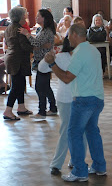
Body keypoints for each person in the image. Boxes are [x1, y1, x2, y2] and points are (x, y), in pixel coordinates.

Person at [45, 24, 106, 182]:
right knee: (92, 132)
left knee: (73, 133)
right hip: (98, 98)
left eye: (68, 35)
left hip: (84, 99)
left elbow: (66, 78)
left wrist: (52, 64)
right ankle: (99, 166)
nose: (67, 38)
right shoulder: (93, 50)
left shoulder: (79, 53)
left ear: (73, 35)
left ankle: (79, 171)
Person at [38, 32, 88, 176]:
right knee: (66, 130)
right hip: (66, 99)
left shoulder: (84, 57)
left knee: (82, 131)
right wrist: (49, 58)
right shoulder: (61, 57)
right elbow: (42, 68)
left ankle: (76, 160)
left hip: (82, 97)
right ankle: (56, 164)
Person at [19, 9, 57, 119]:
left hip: (44, 62)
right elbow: (39, 44)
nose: (36, 18)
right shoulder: (42, 30)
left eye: (38, 16)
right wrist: (38, 45)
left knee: (40, 87)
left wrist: (27, 34)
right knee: (46, 86)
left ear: (44, 18)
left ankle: (42, 111)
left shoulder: (47, 31)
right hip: (41, 60)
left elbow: (36, 43)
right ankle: (53, 108)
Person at [3, 6, 34, 120]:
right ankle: (8, 111)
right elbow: (25, 46)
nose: (26, 15)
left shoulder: (9, 27)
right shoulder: (19, 29)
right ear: (20, 16)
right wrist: (34, 44)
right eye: (25, 14)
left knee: (20, 83)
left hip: (11, 57)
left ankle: (21, 107)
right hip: (17, 59)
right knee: (16, 86)